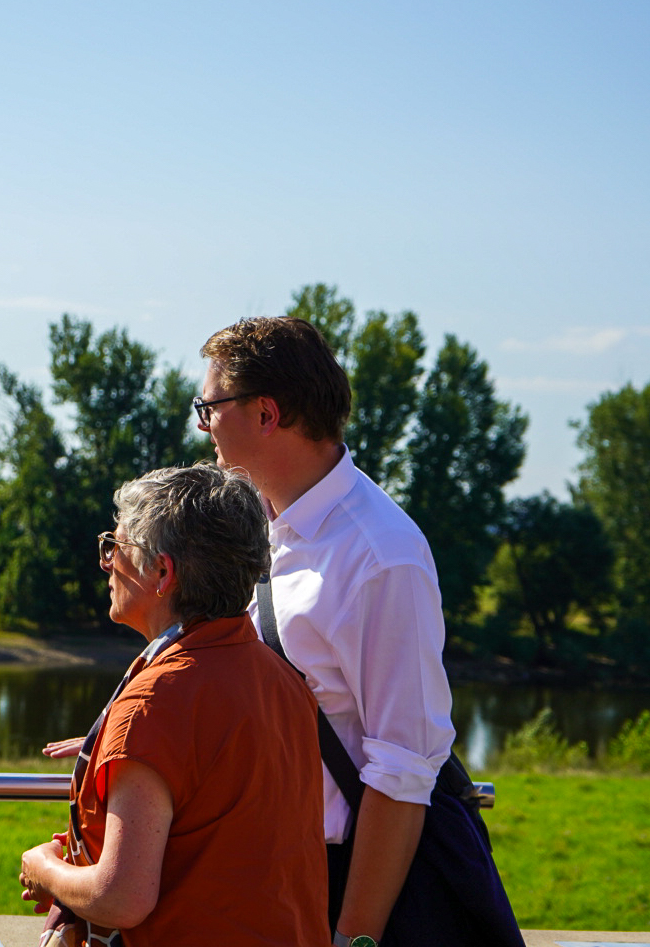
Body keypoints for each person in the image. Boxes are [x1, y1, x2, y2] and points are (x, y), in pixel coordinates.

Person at [195, 316, 523, 947]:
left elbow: (403, 766)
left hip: (351, 886)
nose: (202, 426)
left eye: (208, 407)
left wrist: (353, 938)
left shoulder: (381, 554)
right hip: (277, 873)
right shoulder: (261, 526)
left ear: (266, 413)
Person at [19, 463, 329, 947]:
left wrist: (46, 871)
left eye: (115, 548)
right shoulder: (284, 683)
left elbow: (121, 898)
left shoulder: (154, 704)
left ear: (163, 572)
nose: (106, 563)